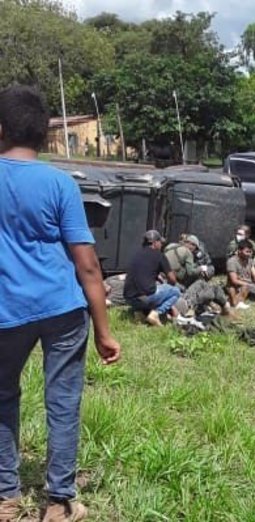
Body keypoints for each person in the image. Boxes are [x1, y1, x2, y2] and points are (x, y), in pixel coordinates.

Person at [0, 85, 120, 522]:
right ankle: (60, 502)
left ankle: (6, 498)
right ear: (45, 135)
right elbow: (87, 265)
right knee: (63, 401)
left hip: (5, 311)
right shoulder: (59, 183)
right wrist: (105, 331)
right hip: (62, 310)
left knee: (2, 398)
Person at [124, 230, 181, 326]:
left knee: (143, 289)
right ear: (155, 243)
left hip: (128, 298)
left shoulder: (136, 254)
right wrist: (165, 286)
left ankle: (139, 314)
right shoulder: (159, 255)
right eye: (160, 242)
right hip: (145, 299)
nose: (161, 245)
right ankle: (156, 314)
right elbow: (173, 280)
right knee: (175, 291)